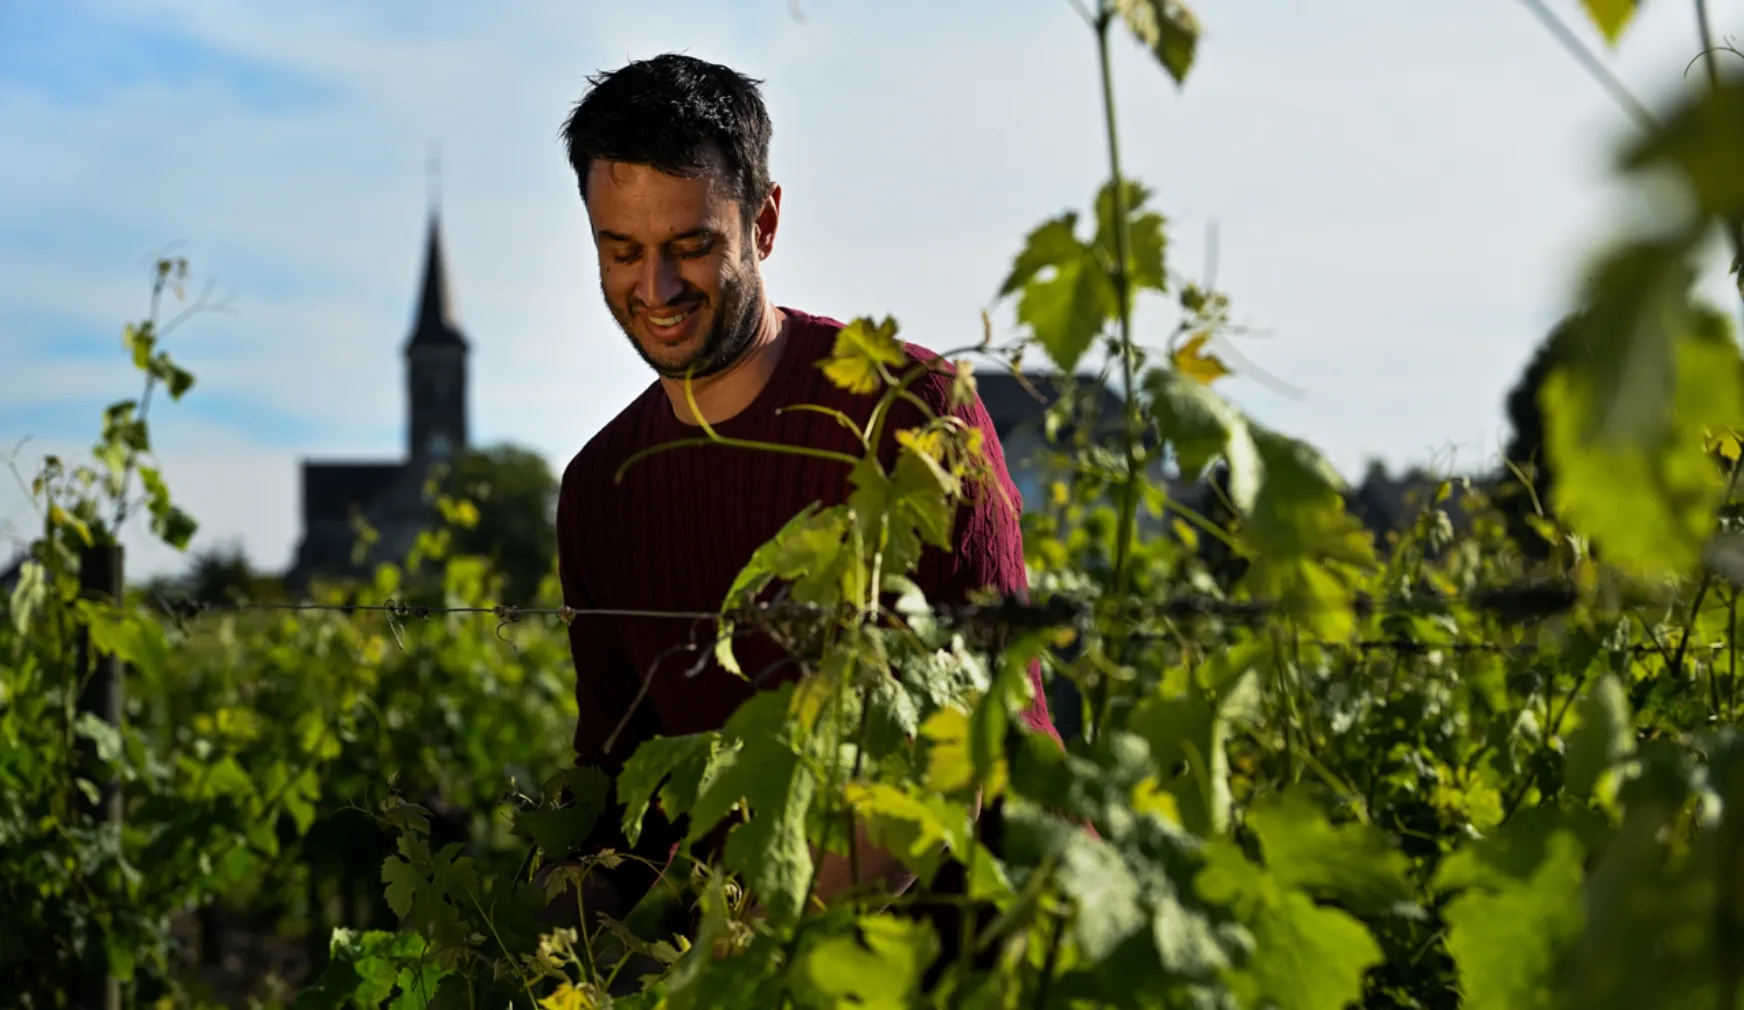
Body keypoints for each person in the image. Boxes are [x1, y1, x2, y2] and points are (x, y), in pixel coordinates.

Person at [544, 52, 1060, 970]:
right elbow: (618, 785)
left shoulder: (911, 410)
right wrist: (546, 939)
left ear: (765, 222)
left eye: (691, 246)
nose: (654, 290)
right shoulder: (600, 490)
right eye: (622, 251)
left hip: (994, 959)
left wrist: (771, 932)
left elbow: (982, 725)